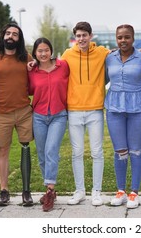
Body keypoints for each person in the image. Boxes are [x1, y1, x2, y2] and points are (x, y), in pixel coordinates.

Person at [105, 24, 141, 209]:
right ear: (116, 38)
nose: (123, 40)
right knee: (120, 150)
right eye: (120, 37)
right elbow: (100, 80)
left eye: (127, 37)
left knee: (135, 150)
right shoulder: (109, 58)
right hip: (115, 109)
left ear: (133, 38)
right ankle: (120, 191)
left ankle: (134, 192)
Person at [61, 22, 109, 206]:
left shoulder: (102, 52)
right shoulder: (67, 55)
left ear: (91, 36)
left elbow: (122, 53)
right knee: (77, 152)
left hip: (95, 110)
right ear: (75, 37)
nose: (81, 39)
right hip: (74, 110)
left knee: (97, 152)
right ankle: (79, 190)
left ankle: (96, 191)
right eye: (78, 35)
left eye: (84, 35)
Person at [0, 23, 34, 207]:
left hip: (23, 111)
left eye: (15, 34)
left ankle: (26, 191)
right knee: (3, 151)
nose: (11, 36)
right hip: (1, 112)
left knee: (25, 148)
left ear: (19, 39)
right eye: (8, 33)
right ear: (3, 35)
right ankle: (4, 191)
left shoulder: (26, 58)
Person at [28, 37, 69, 212]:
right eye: (39, 51)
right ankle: (49, 189)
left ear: (51, 51)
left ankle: (50, 191)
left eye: (46, 50)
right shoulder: (32, 71)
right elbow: (28, 90)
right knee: (42, 154)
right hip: (39, 116)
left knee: (51, 150)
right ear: (35, 53)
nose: (43, 53)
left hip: (59, 115)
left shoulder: (63, 66)